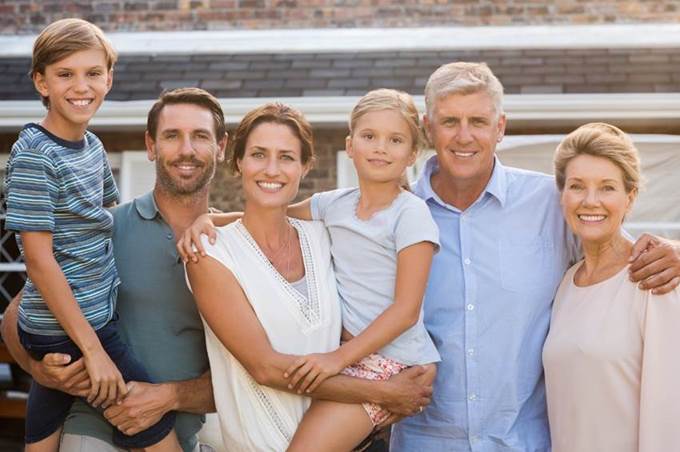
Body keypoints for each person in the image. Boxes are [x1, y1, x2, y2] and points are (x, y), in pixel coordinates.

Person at [390, 62, 680, 451]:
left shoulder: (552, 203)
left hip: (524, 443)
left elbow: (620, 252)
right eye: (449, 121)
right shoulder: (394, 214)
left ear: (500, 127)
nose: (464, 136)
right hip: (423, 442)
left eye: (478, 120)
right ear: (428, 126)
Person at [181, 89, 440, 451]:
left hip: (390, 363)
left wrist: (344, 363)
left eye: (286, 157)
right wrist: (207, 219)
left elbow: (406, 309)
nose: (272, 169)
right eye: (259, 155)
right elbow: (265, 368)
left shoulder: (336, 232)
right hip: (272, 430)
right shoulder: (332, 210)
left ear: (305, 166)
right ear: (237, 161)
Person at [1, 87, 224, 451]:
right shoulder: (106, 229)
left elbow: (251, 375)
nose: (186, 150)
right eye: (172, 136)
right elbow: (17, 313)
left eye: (200, 136)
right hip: (93, 430)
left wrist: (169, 397)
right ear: (151, 146)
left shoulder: (237, 248)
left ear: (222, 147)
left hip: (182, 435)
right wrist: (38, 368)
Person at [2, 18, 179, 451]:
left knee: (47, 419)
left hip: (89, 318)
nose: (81, 86)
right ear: (41, 82)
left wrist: (206, 220)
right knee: (151, 420)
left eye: (92, 73)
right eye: (65, 74)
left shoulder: (92, 146)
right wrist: (95, 351)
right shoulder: (34, 155)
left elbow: (104, 218)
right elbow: (39, 261)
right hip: (72, 330)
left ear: (109, 79)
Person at [543, 123, 680, 452]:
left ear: (629, 198)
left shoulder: (653, 280)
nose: (591, 201)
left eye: (607, 188)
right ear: (562, 196)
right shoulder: (566, 284)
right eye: (577, 186)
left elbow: (669, 416)